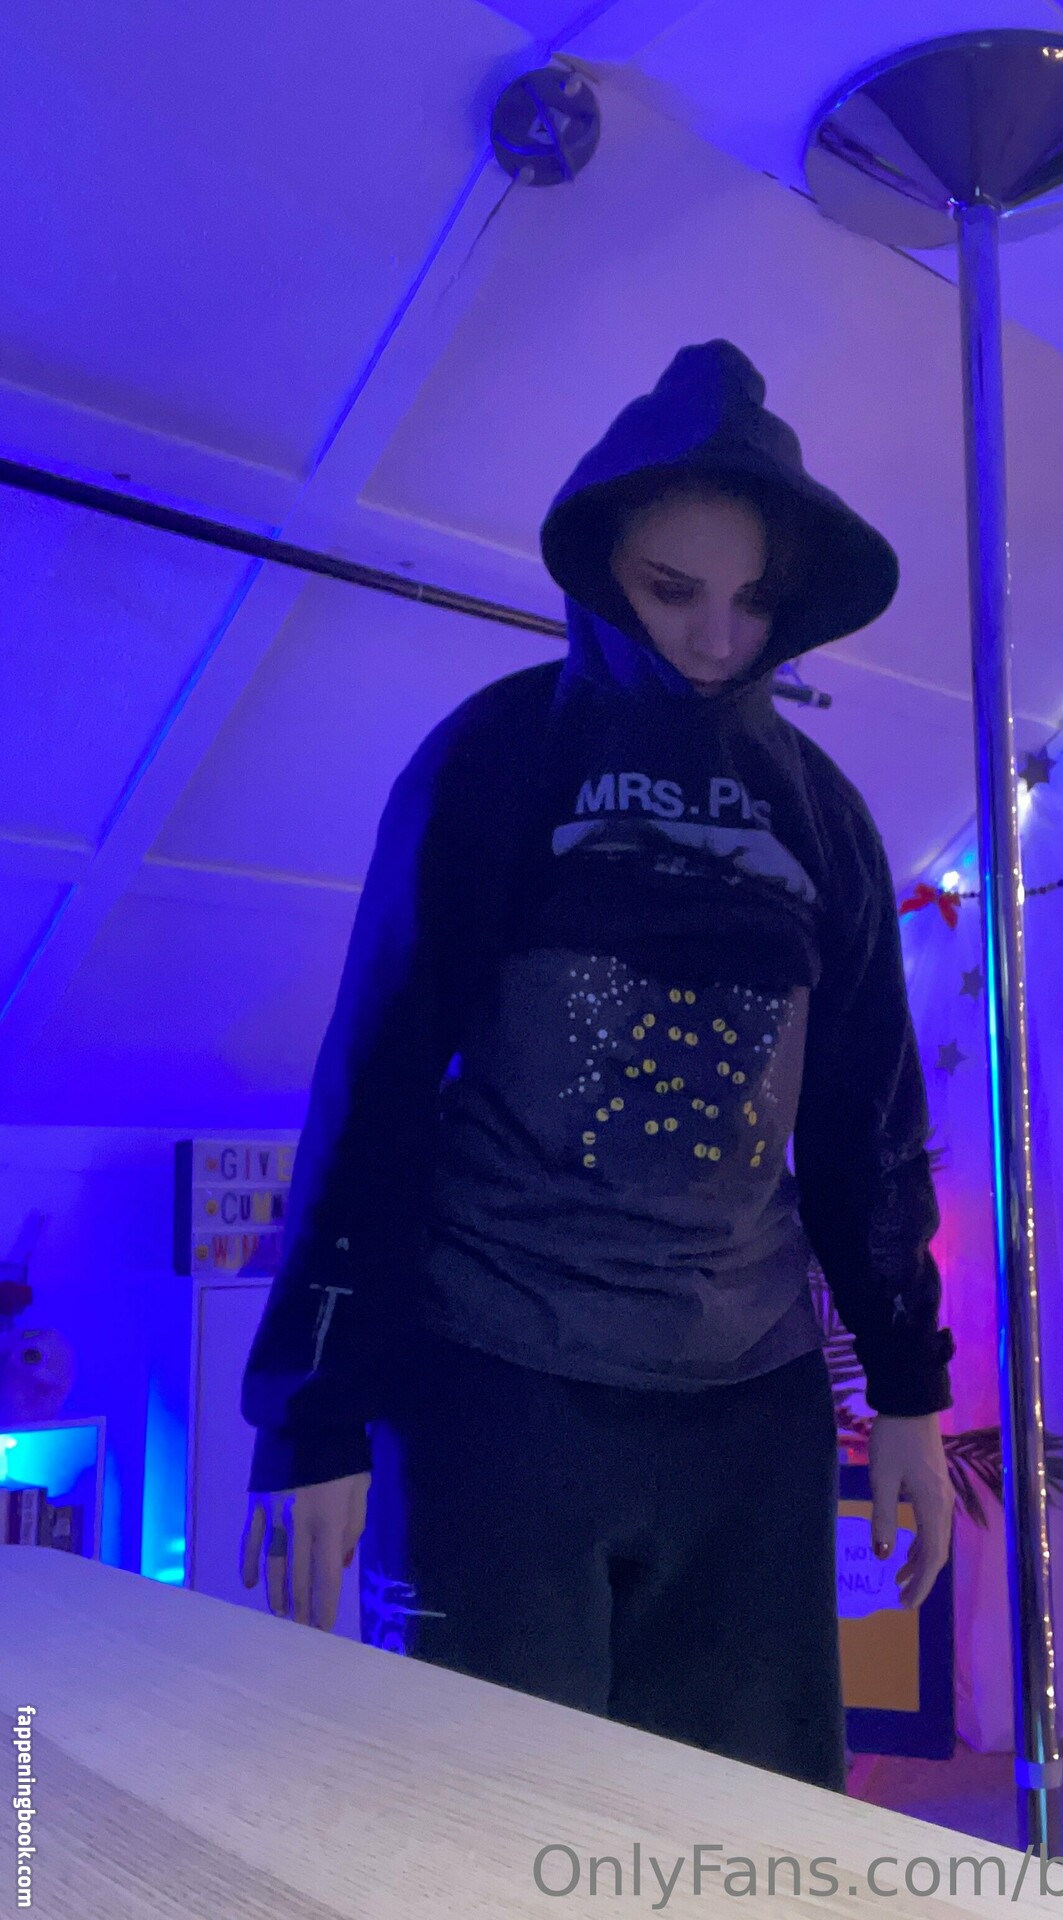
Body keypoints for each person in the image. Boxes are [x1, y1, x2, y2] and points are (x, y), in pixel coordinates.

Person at [239, 340, 956, 1793]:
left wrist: (907, 1390)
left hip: (747, 1408)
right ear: (601, 571)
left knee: (747, 1841)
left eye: (752, 600)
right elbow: (375, 1085)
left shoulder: (823, 813)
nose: (715, 638)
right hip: (497, 1386)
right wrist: (312, 1412)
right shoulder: (492, 761)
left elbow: (866, 1119)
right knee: (482, 1830)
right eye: (673, 590)